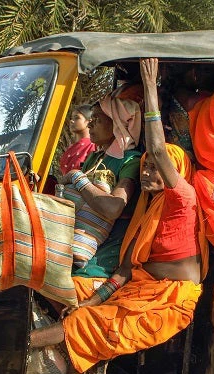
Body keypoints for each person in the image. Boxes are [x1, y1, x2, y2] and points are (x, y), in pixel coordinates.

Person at [29, 58, 205, 374]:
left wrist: (150, 88)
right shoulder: (144, 210)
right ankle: (74, 372)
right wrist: (91, 301)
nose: (148, 173)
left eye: (157, 169)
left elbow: (156, 147)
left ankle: (24, 348)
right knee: (70, 297)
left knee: (83, 322)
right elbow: (124, 271)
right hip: (136, 290)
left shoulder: (183, 198)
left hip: (168, 300)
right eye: (145, 168)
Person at [61, 88, 143, 299]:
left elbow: (113, 207)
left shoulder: (130, 160)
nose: (90, 125)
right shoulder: (95, 158)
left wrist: (77, 178)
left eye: (96, 119)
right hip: (74, 252)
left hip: (99, 263)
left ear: (116, 123)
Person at [59, 105, 96, 175]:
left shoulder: (93, 147)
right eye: (72, 118)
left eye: (77, 118)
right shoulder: (72, 148)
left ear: (89, 121)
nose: (72, 121)